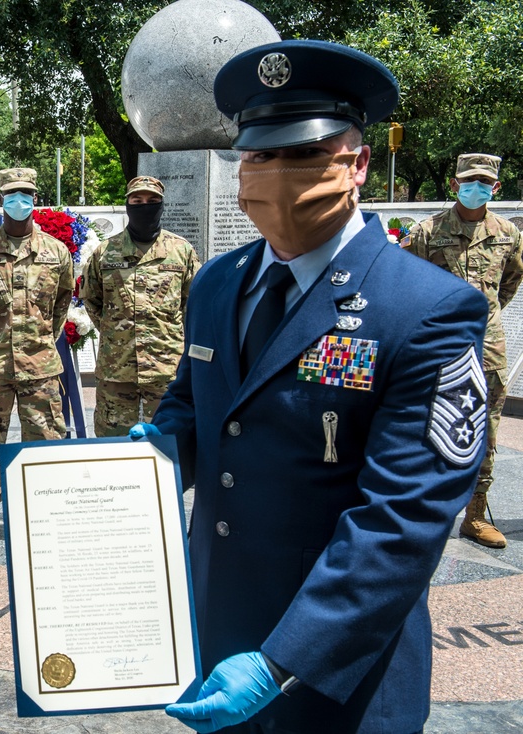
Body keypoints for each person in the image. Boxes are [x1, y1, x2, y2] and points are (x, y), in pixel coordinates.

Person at [132, 41, 488, 733]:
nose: (273, 173)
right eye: (258, 155)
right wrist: (153, 457)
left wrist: (282, 662)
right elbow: (198, 404)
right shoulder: (216, 283)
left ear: (355, 164)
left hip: (337, 674)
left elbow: (402, 520)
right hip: (216, 637)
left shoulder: (426, 309)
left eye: (302, 153)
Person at [402, 153, 523, 548]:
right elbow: (404, 283)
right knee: (423, 429)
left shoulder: (509, 233)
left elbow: (509, 283)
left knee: (485, 431)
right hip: (436, 349)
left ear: (496, 188)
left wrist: (483, 316)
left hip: (488, 350)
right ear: (455, 185)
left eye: (485, 183)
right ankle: (419, 513)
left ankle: (475, 515)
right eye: (469, 181)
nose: (477, 189)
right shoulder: (425, 232)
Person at [0, 167, 74, 551]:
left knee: (44, 442)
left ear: (34, 199)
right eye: (11, 194)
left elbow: (61, 305)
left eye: (25, 194)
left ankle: (42, 516)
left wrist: (37, 342)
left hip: (41, 367)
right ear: (1, 198)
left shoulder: (56, 252)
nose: (18, 200)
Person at [81, 175, 200, 436]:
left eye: (152, 200)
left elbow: (192, 303)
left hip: (167, 368)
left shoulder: (182, 251)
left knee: (171, 443)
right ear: (128, 205)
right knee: (113, 445)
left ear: (161, 205)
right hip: (117, 369)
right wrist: (117, 333)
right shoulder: (106, 252)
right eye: (137, 200)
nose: (144, 205)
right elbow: (91, 298)